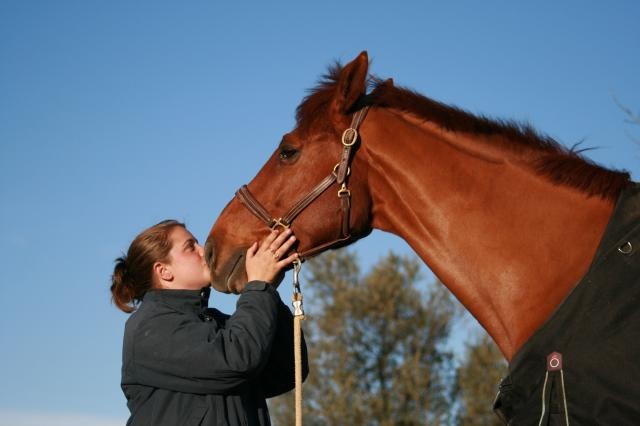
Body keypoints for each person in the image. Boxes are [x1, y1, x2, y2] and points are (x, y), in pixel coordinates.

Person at [110, 219, 308, 426]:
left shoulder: (218, 324)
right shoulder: (149, 327)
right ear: (163, 271)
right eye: (190, 247)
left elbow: (287, 371)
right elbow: (237, 360)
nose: (203, 250)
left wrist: (269, 294)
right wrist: (259, 287)